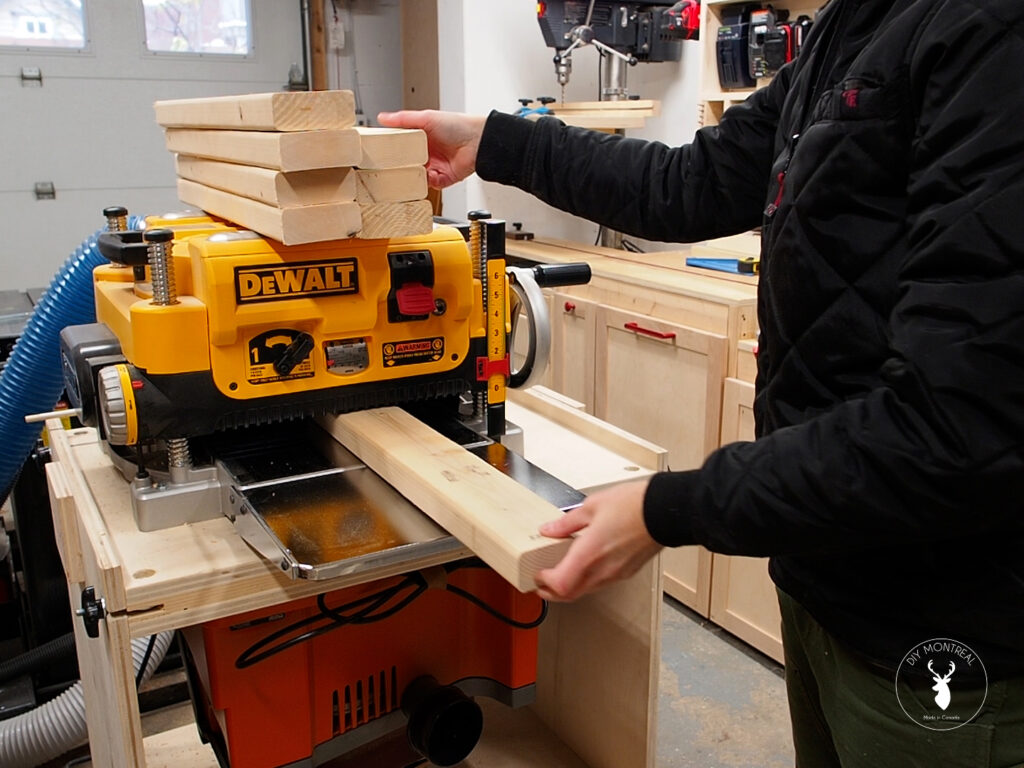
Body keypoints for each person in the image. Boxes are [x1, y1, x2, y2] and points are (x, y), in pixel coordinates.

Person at [381, 0, 1024, 765]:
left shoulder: (989, 30)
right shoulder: (853, 29)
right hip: (824, 572)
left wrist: (667, 508)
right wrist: (495, 140)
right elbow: (694, 181)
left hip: (943, 626)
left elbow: (953, 430)